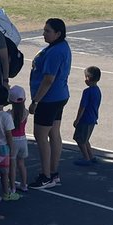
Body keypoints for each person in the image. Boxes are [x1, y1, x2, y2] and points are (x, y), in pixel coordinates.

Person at [27, 18, 71, 189]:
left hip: (49, 99)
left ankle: (46, 175)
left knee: (40, 135)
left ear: (58, 33)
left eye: (47, 31)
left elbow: (48, 79)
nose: (44, 34)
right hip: (59, 95)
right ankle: (53, 172)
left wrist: (35, 101)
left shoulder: (54, 52)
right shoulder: (61, 47)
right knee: (54, 134)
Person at [72, 66, 102, 165]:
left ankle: (86, 158)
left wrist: (77, 119)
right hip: (92, 118)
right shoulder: (97, 90)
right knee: (86, 139)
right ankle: (91, 156)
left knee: (79, 139)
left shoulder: (87, 92)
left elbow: (82, 107)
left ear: (88, 78)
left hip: (85, 119)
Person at [8, 85, 30, 194]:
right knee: (21, 163)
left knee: (12, 165)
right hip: (23, 140)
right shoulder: (26, 112)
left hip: (13, 140)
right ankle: (24, 184)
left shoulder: (9, 114)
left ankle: (12, 187)